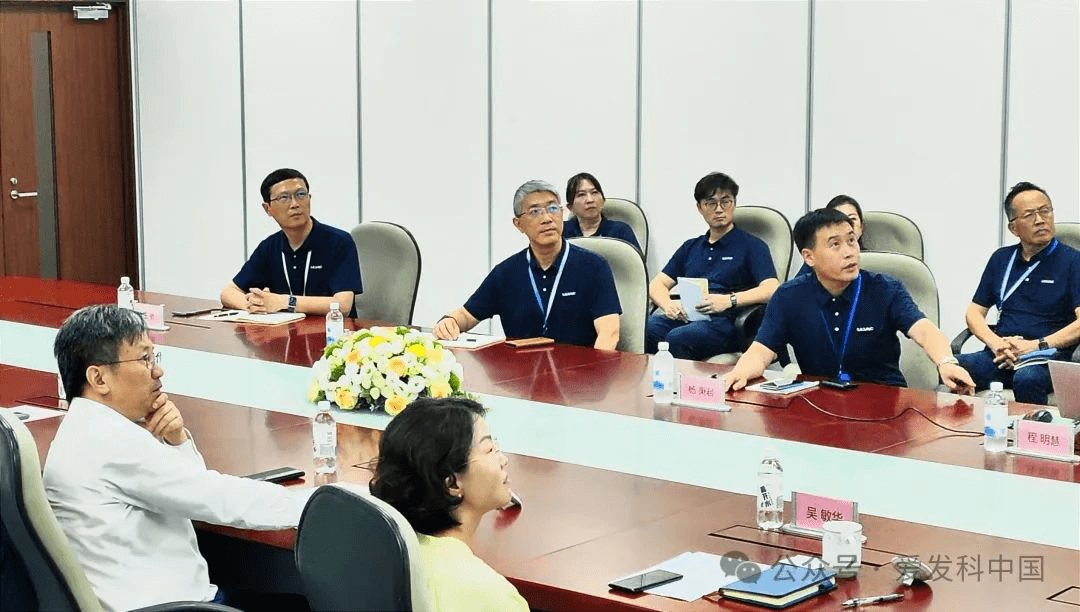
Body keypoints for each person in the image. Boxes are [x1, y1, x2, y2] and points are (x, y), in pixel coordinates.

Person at [43, 305, 313, 612]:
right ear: (99, 378)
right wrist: (317, 506)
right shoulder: (110, 441)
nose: (157, 371)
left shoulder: (84, 428)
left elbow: (190, 491)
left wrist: (177, 440)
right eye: (144, 359)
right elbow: (216, 499)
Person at [723, 208, 975, 393]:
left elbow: (925, 331)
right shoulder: (788, 297)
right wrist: (739, 373)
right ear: (809, 257)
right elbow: (761, 351)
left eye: (851, 241)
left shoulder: (886, 289)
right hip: (820, 401)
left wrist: (946, 362)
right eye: (835, 245)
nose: (849, 252)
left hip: (884, 401)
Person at [370, 397, 529, 612]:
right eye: (490, 450)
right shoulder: (493, 596)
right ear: (452, 484)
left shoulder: (386, 555)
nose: (503, 460)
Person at [434, 180, 622, 350]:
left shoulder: (594, 267)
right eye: (535, 212)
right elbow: (466, 316)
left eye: (553, 208)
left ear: (562, 213)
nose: (547, 218)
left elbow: (609, 333)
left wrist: (593, 373)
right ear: (518, 224)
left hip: (578, 372)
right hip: (520, 373)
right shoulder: (505, 273)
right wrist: (449, 322)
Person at [956, 182, 1080, 405]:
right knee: (954, 368)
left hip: (1047, 356)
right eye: (1030, 215)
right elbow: (974, 313)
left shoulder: (1073, 262)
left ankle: (1032, 428)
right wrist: (996, 343)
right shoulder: (1001, 259)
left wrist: (1034, 346)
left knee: (1026, 379)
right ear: (1013, 228)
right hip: (1003, 354)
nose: (1040, 220)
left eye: (1045, 211)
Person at [645, 172, 779, 360]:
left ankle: (681, 380)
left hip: (728, 321)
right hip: (689, 316)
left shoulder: (752, 246)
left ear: (734, 204)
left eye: (725, 202)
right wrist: (668, 306)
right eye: (710, 203)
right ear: (700, 208)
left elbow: (772, 289)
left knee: (679, 338)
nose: (719, 209)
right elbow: (657, 284)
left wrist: (729, 300)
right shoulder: (690, 247)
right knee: (645, 329)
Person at [221, 168, 363, 317]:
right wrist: (256, 306)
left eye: (300, 194)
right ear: (268, 208)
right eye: (284, 197)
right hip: (287, 330)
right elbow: (228, 293)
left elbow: (343, 305)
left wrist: (284, 302)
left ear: (309, 198)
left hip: (331, 329)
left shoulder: (339, 242)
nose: (294, 204)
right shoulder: (269, 247)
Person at [561, 172, 641, 252]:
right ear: (570, 207)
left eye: (594, 192)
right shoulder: (561, 231)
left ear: (603, 200)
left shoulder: (620, 231)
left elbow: (635, 260)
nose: (590, 200)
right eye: (581, 195)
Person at [796, 195, 864, 277]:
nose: (845, 224)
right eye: (835, 244)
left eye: (852, 219)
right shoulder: (815, 264)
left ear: (862, 226)